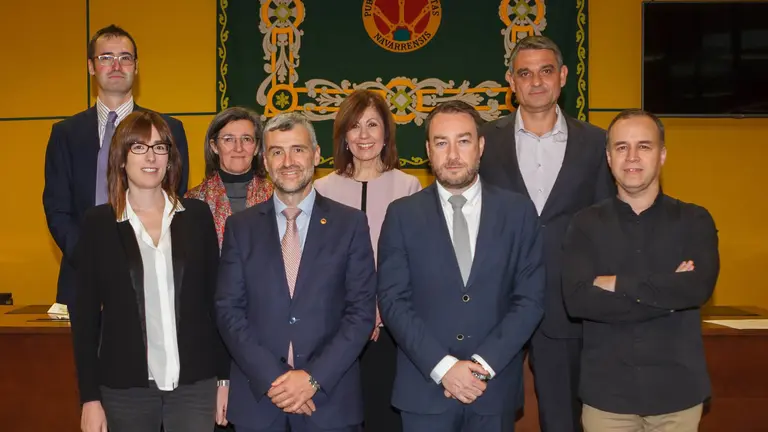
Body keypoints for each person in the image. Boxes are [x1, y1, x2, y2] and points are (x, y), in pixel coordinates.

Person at [377, 100, 545, 432]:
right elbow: (393, 301)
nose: (453, 154)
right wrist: (444, 368)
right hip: (424, 392)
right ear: (428, 150)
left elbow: (531, 300)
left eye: (463, 141)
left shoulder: (518, 213)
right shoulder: (402, 215)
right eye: (442, 143)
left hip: (493, 390)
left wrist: (482, 366)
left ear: (480, 146)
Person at [478, 35, 615, 432]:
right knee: (485, 415)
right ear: (511, 81)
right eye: (525, 73)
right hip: (494, 305)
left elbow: (608, 221)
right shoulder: (483, 141)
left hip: (566, 306)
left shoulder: (596, 142)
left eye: (546, 71)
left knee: (563, 419)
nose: (536, 81)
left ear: (563, 76)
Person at [215, 112, 376, 432]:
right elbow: (228, 311)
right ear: (265, 160)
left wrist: (312, 379)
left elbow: (360, 313)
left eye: (298, 149)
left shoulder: (350, 224)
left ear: (316, 155)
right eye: (277, 152)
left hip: (330, 402)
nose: (288, 161)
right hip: (260, 403)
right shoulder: (240, 228)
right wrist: (275, 380)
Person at [70, 111, 228, 432]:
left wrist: (224, 379)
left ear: (170, 158)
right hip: (125, 389)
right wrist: (90, 398)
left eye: (159, 147)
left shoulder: (197, 216)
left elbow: (216, 303)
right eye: (139, 147)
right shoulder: (98, 224)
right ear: (121, 158)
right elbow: (84, 318)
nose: (151, 156)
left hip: (194, 386)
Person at [562, 109, 719, 432]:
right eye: (621, 147)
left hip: (677, 395)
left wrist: (615, 284)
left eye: (644, 146)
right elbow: (578, 301)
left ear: (662, 155)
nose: (632, 157)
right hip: (607, 398)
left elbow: (696, 289)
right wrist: (668, 294)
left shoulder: (695, 220)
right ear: (609, 158)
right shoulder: (584, 225)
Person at [43, 24, 190, 309]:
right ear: (91, 66)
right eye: (106, 57)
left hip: (151, 275)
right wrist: (90, 258)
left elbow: (175, 198)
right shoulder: (65, 133)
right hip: (82, 276)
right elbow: (57, 209)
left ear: (136, 67)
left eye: (125, 57)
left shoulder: (168, 129)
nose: (116, 65)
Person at [314, 89, 421, 432]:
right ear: (343, 135)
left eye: (372, 125)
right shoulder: (321, 190)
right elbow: (318, 267)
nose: (364, 135)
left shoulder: (408, 186)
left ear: (386, 133)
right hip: (336, 330)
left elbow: (412, 263)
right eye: (355, 125)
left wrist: (377, 309)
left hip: (391, 330)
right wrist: (356, 312)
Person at [186, 107, 274, 248]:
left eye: (246, 139)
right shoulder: (193, 201)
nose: (238, 148)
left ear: (257, 147)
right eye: (229, 139)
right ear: (214, 146)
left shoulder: (276, 196)